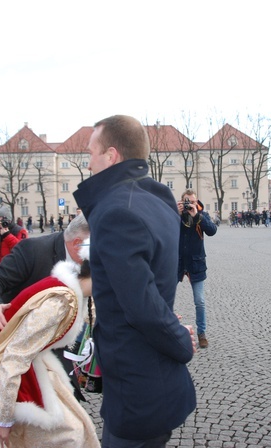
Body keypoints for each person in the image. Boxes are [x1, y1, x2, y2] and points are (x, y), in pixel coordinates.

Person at [73, 115, 196, 447]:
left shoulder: (117, 212)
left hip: (137, 386)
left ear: (111, 156)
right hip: (151, 380)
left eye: (91, 153)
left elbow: (142, 307)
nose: (87, 163)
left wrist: (181, 343)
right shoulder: (156, 198)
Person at [0, 252, 100, 448]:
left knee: (72, 430)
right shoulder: (59, 302)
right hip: (1, 374)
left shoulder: (68, 288)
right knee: (69, 435)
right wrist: (3, 416)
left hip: (24, 366)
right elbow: (15, 355)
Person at [0, 213, 91, 398]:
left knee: (68, 399)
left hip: (69, 337)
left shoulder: (91, 258)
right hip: (28, 342)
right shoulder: (33, 249)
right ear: (77, 243)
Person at [177, 188, 217, 348]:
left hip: (196, 262)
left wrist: (197, 216)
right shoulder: (175, 215)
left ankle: (201, 333)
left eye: (192, 202)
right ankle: (167, 330)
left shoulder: (202, 215)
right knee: (167, 298)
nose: (190, 204)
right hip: (177, 262)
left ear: (196, 201)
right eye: (187, 201)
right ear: (181, 201)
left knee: (199, 301)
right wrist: (176, 214)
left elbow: (212, 231)